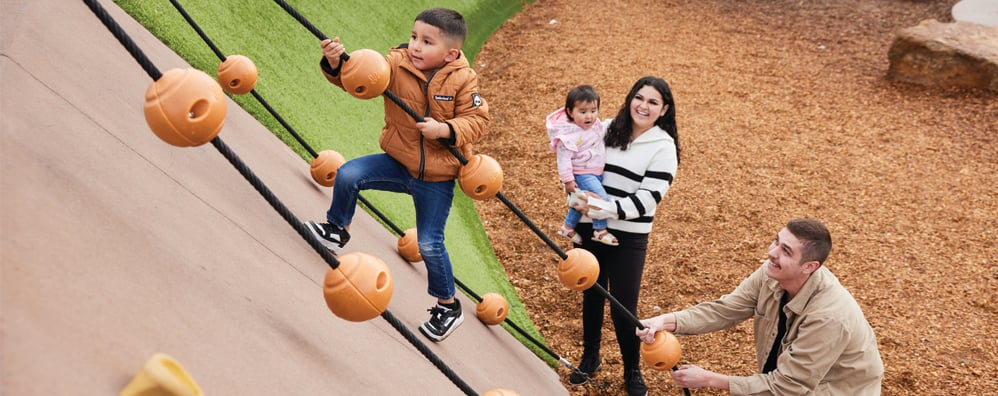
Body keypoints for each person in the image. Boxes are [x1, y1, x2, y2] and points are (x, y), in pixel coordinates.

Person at [305, 8, 489, 343]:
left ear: (450, 54)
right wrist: (335, 63)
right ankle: (336, 229)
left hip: (436, 176)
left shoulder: (464, 79)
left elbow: (478, 121)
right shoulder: (396, 62)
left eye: (427, 42)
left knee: (430, 243)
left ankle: (448, 305)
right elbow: (357, 77)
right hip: (397, 161)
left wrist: (445, 129)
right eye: (415, 37)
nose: (416, 46)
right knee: (348, 175)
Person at [636, 218, 885, 395]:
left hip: (835, 389)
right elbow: (725, 309)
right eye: (776, 241)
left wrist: (710, 379)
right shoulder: (771, 274)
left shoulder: (828, 317)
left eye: (785, 250)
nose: (772, 252)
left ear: (810, 267)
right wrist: (664, 321)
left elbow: (789, 387)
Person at [567, 76, 680, 396]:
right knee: (592, 291)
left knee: (623, 306)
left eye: (652, 102)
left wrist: (602, 207)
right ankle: (590, 357)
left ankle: (632, 369)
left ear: (664, 109)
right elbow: (579, 166)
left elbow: (648, 200)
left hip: (629, 236)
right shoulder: (604, 129)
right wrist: (575, 196)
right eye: (639, 98)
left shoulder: (663, 147)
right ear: (630, 98)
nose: (643, 106)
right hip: (591, 226)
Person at [547, 85, 618, 247]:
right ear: (570, 112)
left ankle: (567, 227)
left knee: (580, 202)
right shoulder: (568, 135)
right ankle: (600, 231)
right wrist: (568, 180)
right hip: (582, 173)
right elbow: (563, 159)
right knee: (601, 198)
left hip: (595, 171)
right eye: (583, 112)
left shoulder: (595, 126)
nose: (589, 116)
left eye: (593, 111)